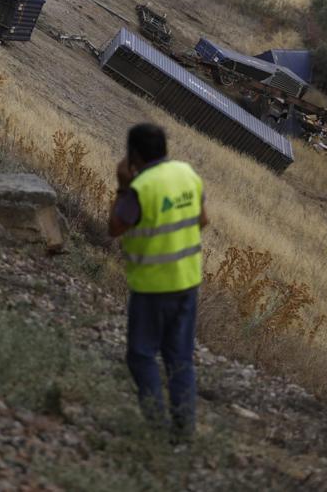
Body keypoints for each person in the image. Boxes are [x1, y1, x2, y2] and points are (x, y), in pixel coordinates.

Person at [108, 123, 208, 438]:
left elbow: (114, 228)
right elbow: (204, 219)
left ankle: (156, 426)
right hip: (187, 283)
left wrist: (123, 185)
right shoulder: (187, 173)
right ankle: (184, 430)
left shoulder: (141, 187)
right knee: (179, 358)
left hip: (152, 288)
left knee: (141, 355)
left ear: (133, 154)